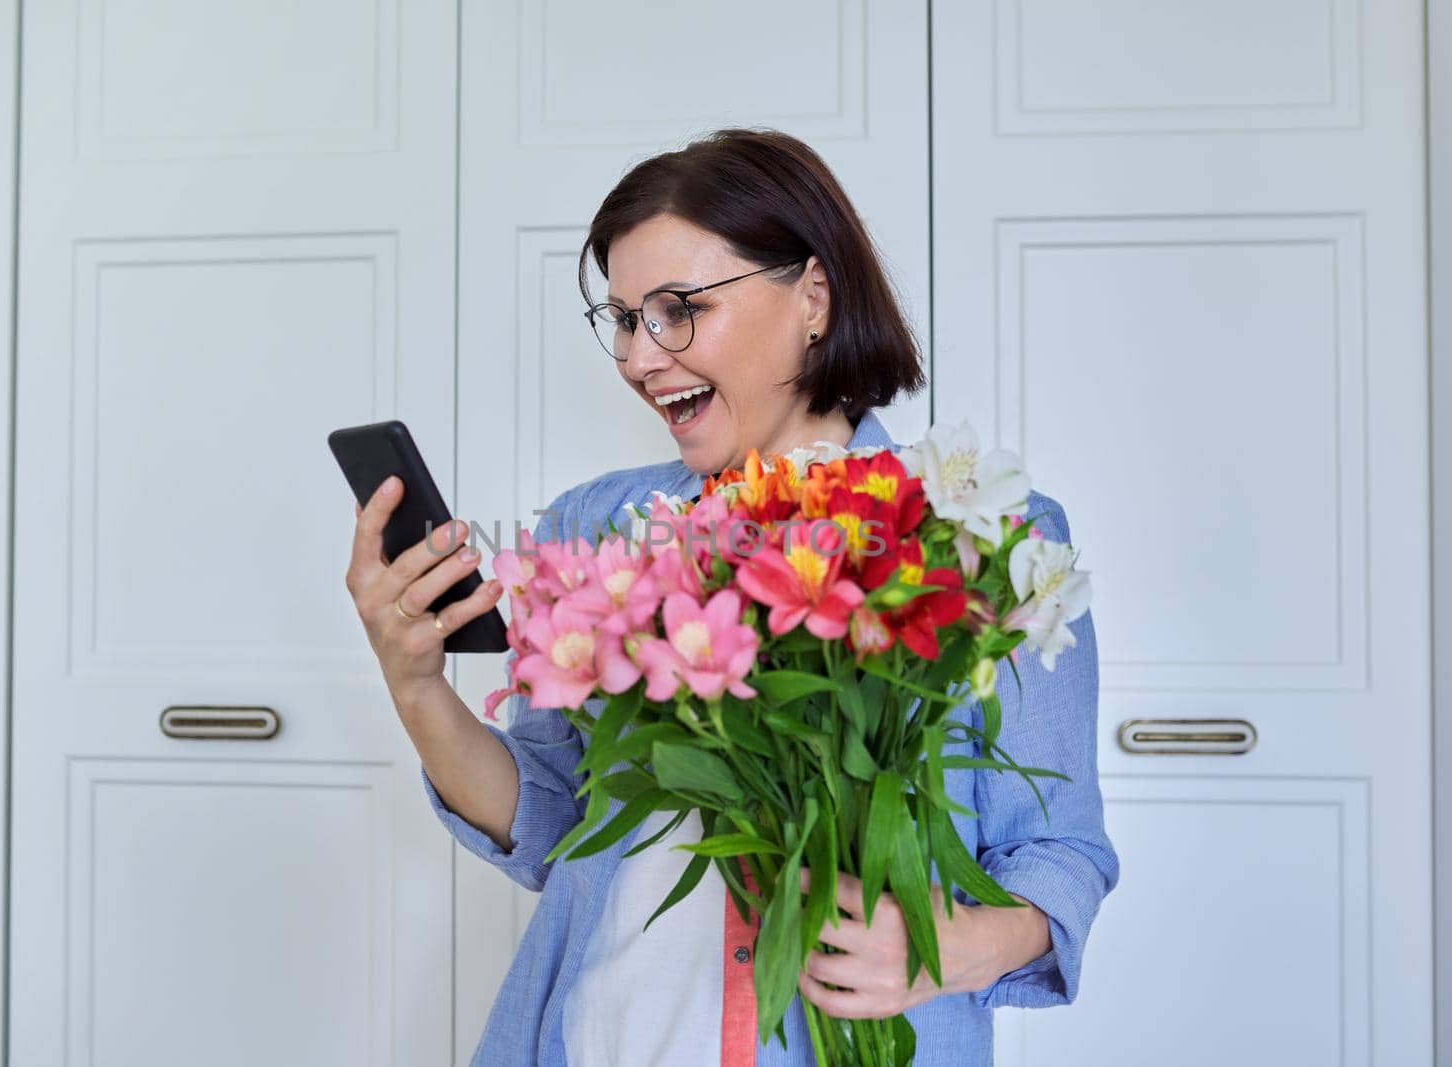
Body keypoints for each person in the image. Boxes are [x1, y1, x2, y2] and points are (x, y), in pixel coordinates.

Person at [346, 128, 1119, 1066]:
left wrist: (942, 948)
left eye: (677, 309)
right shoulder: (596, 527)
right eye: (625, 319)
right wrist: (417, 685)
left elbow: (1061, 854)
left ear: (813, 298)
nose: (640, 356)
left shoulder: (988, 537)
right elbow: (554, 823)